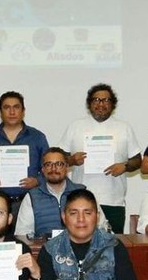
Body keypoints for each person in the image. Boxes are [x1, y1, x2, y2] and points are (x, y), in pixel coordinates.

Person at [59, 83, 142, 233]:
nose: (101, 104)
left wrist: (125, 166)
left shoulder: (124, 128)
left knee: (112, 248)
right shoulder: (75, 126)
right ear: (89, 103)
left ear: (113, 104)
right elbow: (58, 159)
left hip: (113, 200)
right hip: (81, 200)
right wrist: (71, 160)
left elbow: (138, 160)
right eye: (96, 100)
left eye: (106, 100)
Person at [0, 91, 48, 206]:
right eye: (7, 107)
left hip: (30, 201)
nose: (12, 112)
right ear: (0, 112)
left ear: (23, 111)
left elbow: (49, 167)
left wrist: (37, 181)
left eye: (16, 107)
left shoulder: (37, 137)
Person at [13, 147, 84, 240]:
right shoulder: (32, 197)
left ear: (67, 167)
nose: (53, 168)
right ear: (43, 169)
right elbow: (22, 235)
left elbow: (101, 229)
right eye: (48, 164)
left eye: (59, 164)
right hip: (44, 251)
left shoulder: (83, 193)